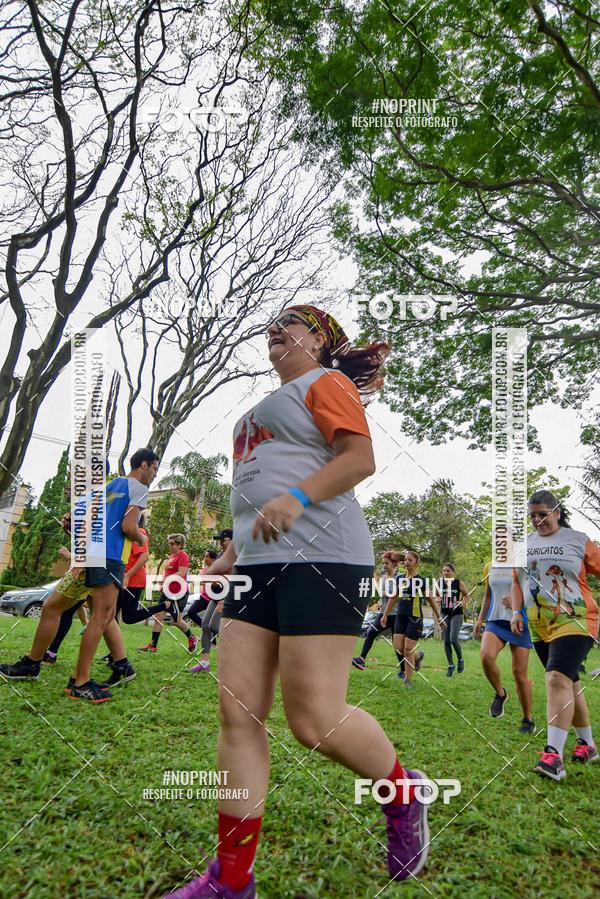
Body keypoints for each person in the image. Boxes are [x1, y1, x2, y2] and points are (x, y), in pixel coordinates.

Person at [162, 305, 432, 898]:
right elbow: (251, 498)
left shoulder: (325, 382)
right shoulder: (253, 414)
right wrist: (223, 561)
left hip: (325, 556)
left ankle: (404, 794)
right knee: (239, 715)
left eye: (294, 322)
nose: (276, 329)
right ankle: (231, 882)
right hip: (255, 567)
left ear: (321, 340)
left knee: (314, 721)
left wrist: (297, 498)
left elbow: (359, 459)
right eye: (272, 324)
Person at [511, 489, 600, 780]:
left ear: (557, 512)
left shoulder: (578, 540)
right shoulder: (523, 545)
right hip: (539, 625)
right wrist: (515, 612)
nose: (537, 520)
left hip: (576, 619)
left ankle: (554, 756)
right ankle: (587, 745)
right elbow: (517, 581)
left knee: (556, 677)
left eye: (543, 514)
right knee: (569, 682)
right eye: (532, 516)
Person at [474, 530, 535, 732]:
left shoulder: (521, 564)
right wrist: (479, 620)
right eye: (496, 539)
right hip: (495, 620)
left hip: (518, 622)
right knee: (486, 656)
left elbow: (533, 591)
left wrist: (519, 600)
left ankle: (527, 719)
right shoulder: (490, 566)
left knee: (519, 674)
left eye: (503, 539)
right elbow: (487, 596)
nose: (499, 542)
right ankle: (500, 694)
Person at [381, 550, 445, 689]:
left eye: (410, 560)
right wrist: (385, 614)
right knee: (399, 649)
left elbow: (430, 600)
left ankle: (407, 680)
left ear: (417, 562)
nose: (407, 562)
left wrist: (439, 618)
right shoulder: (400, 579)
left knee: (408, 649)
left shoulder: (420, 581)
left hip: (414, 618)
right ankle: (418, 656)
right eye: (406, 560)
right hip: (400, 618)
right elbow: (394, 597)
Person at [351, 551, 411, 675]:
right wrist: (380, 601)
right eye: (383, 563)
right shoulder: (383, 578)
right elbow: (383, 594)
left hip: (396, 615)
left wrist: (385, 594)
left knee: (397, 646)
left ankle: (404, 670)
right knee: (371, 632)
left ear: (394, 564)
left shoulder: (399, 578)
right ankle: (361, 659)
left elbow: (398, 595)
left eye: (387, 563)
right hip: (383, 613)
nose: (384, 566)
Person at [138, 534, 198, 653]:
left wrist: (168, 578)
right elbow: (167, 574)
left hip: (179, 592)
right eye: (169, 543)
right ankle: (153, 646)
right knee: (158, 616)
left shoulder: (183, 556)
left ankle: (192, 637)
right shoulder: (171, 557)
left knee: (175, 621)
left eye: (172, 544)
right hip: (167, 591)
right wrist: (164, 584)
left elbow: (182, 573)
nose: (169, 546)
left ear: (179, 545)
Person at [190, 534, 233, 673]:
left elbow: (233, 579)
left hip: (226, 595)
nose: (220, 543)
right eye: (219, 540)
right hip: (215, 595)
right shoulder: (222, 556)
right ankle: (204, 663)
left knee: (214, 626)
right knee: (205, 625)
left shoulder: (235, 556)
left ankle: (239, 651)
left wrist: (225, 600)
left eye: (223, 540)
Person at [436, 564, 470, 676]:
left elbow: (467, 596)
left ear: (453, 572)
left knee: (453, 639)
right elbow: (435, 595)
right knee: (446, 641)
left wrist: (462, 602)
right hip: (445, 613)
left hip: (457, 614)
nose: (446, 573)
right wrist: (437, 598)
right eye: (444, 571)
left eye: (448, 571)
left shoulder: (458, 583)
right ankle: (450, 665)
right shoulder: (439, 582)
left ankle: (460, 660)